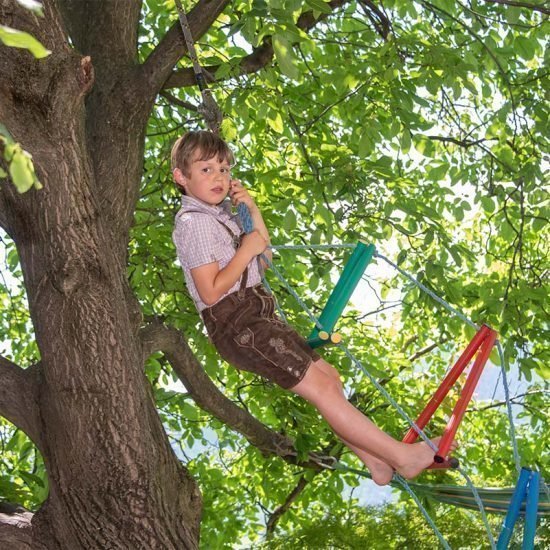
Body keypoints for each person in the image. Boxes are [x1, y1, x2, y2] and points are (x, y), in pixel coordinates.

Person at [171, 130, 456, 486]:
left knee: (330, 379)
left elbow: (265, 259)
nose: (219, 177)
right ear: (181, 177)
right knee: (320, 389)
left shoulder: (222, 216)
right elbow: (211, 292)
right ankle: (401, 457)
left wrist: (252, 210)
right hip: (238, 324)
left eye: (225, 170)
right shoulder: (193, 223)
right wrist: (246, 249)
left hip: (257, 315)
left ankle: (377, 463)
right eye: (207, 169)